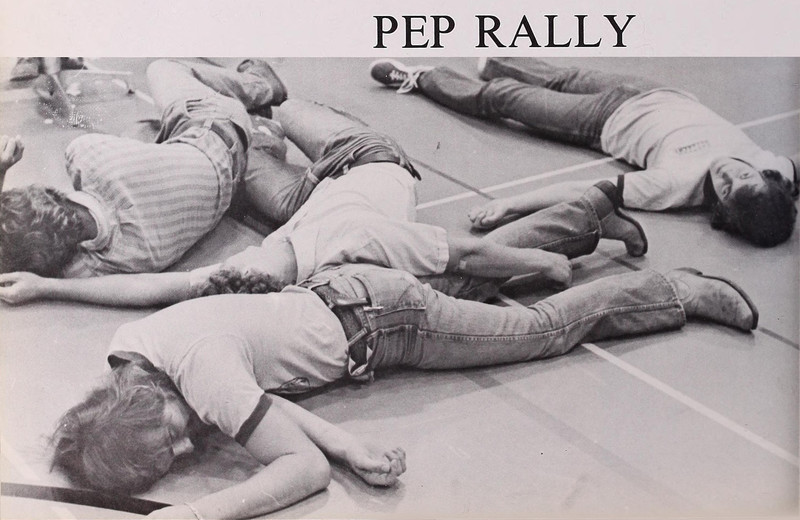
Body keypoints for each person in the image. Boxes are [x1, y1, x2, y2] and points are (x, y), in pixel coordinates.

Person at [50, 260, 757, 518]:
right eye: (172, 459)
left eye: (171, 439)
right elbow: (263, 406)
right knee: (475, 281)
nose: (185, 451)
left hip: (388, 324)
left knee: (538, 331)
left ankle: (675, 291)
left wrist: (200, 515)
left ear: (143, 404)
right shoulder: (132, 353)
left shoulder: (202, 376)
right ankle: (578, 228)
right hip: (346, 293)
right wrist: (349, 443)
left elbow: (301, 470)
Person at [0, 97, 650, 307]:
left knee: (284, 112)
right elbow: (161, 289)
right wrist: (49, 286)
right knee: (256, 156)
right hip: (314, 198)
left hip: (366, 158)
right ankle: (590, 210)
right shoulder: (283, 262)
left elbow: (471, 251)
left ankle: (265, 104)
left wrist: (549, 267)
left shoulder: (349, 242)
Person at [369, 58, 799, 247]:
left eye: (726, 188)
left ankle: (423, 78)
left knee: (504, 98)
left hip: (602, 120)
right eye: (744, 175)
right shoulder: (773, 168)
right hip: (656, 91)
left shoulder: (673, 186)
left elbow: (585, 190)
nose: (729, 172)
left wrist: (512, 205)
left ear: (719, 208)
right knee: (564, 75)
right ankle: (497, 60)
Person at [0, 58, 289, 278]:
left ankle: (261, 131)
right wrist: (4, 168)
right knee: (162, 68)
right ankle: (261, 85)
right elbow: (86, 132)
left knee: (141, 132)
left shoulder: (107, 264)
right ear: (46, 192)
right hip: (215, 127)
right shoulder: (87, 157)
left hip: (222, 185)